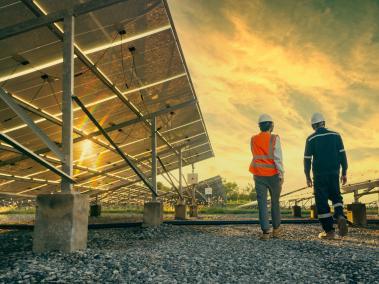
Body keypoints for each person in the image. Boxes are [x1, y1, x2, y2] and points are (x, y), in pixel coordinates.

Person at [304, 113, 348, 239]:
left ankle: (329, 231)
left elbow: (307, 159)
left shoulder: (311, 139)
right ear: (324, 122)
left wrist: (307, 176)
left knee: (322, 201)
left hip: (319, 175)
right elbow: (343, 155)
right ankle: (339, 215)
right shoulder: (336, 135)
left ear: (313, 126)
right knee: (336, 195)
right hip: (334, 172)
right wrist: (344, 172)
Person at [249, 114, 284, 240]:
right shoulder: (274, 138)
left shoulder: (253, 139)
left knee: (262, 203)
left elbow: (255, 154)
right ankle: (276, 230)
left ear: (260, 126)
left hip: (258, 175)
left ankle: (265, 233)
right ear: (271, 125)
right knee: (275, 202)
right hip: (273, 175)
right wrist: (281, 174)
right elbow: (278, 157)